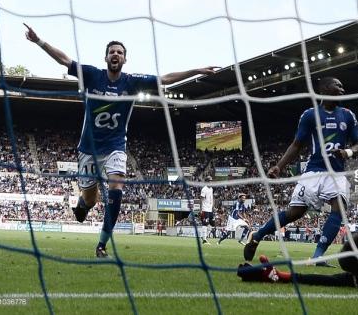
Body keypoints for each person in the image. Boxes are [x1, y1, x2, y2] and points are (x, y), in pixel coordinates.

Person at [24, 24, 218, 258]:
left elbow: (165, 79)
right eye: (112, 51)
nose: (115, 54)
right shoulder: (92, 75)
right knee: (91, 199)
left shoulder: (132, 81)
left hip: (116, 146)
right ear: (106, 57)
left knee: (116, 191)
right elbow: (65, 60)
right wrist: (39, 41)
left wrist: (196, 70)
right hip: (89, 148)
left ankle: (102, 244)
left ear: (125, 59)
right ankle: (83, 205)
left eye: (120, 52)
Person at [244, 77, 358, 266]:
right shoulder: (309, 115)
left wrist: (347, 152)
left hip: (337, 174)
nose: (342, 88)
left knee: (339, 210)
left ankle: (317, 256)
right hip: (313, 171)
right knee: (294, 213)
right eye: (337, 85)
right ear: (324, 89)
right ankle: (257, 236)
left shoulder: (348, 115)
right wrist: (279, 166)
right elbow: (296, 145)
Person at [200, 175, 215, 244]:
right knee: (205, 223)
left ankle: (204, 236)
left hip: (210, 209)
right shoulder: (204, 189)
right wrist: (201, 209)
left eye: (211, 181)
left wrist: (213, 207)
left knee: (212, 224)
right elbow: (201, 199)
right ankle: (204, 239)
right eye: (209, 181)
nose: (211, 182)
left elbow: (211, 198)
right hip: (205, 209)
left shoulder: (211, 189)